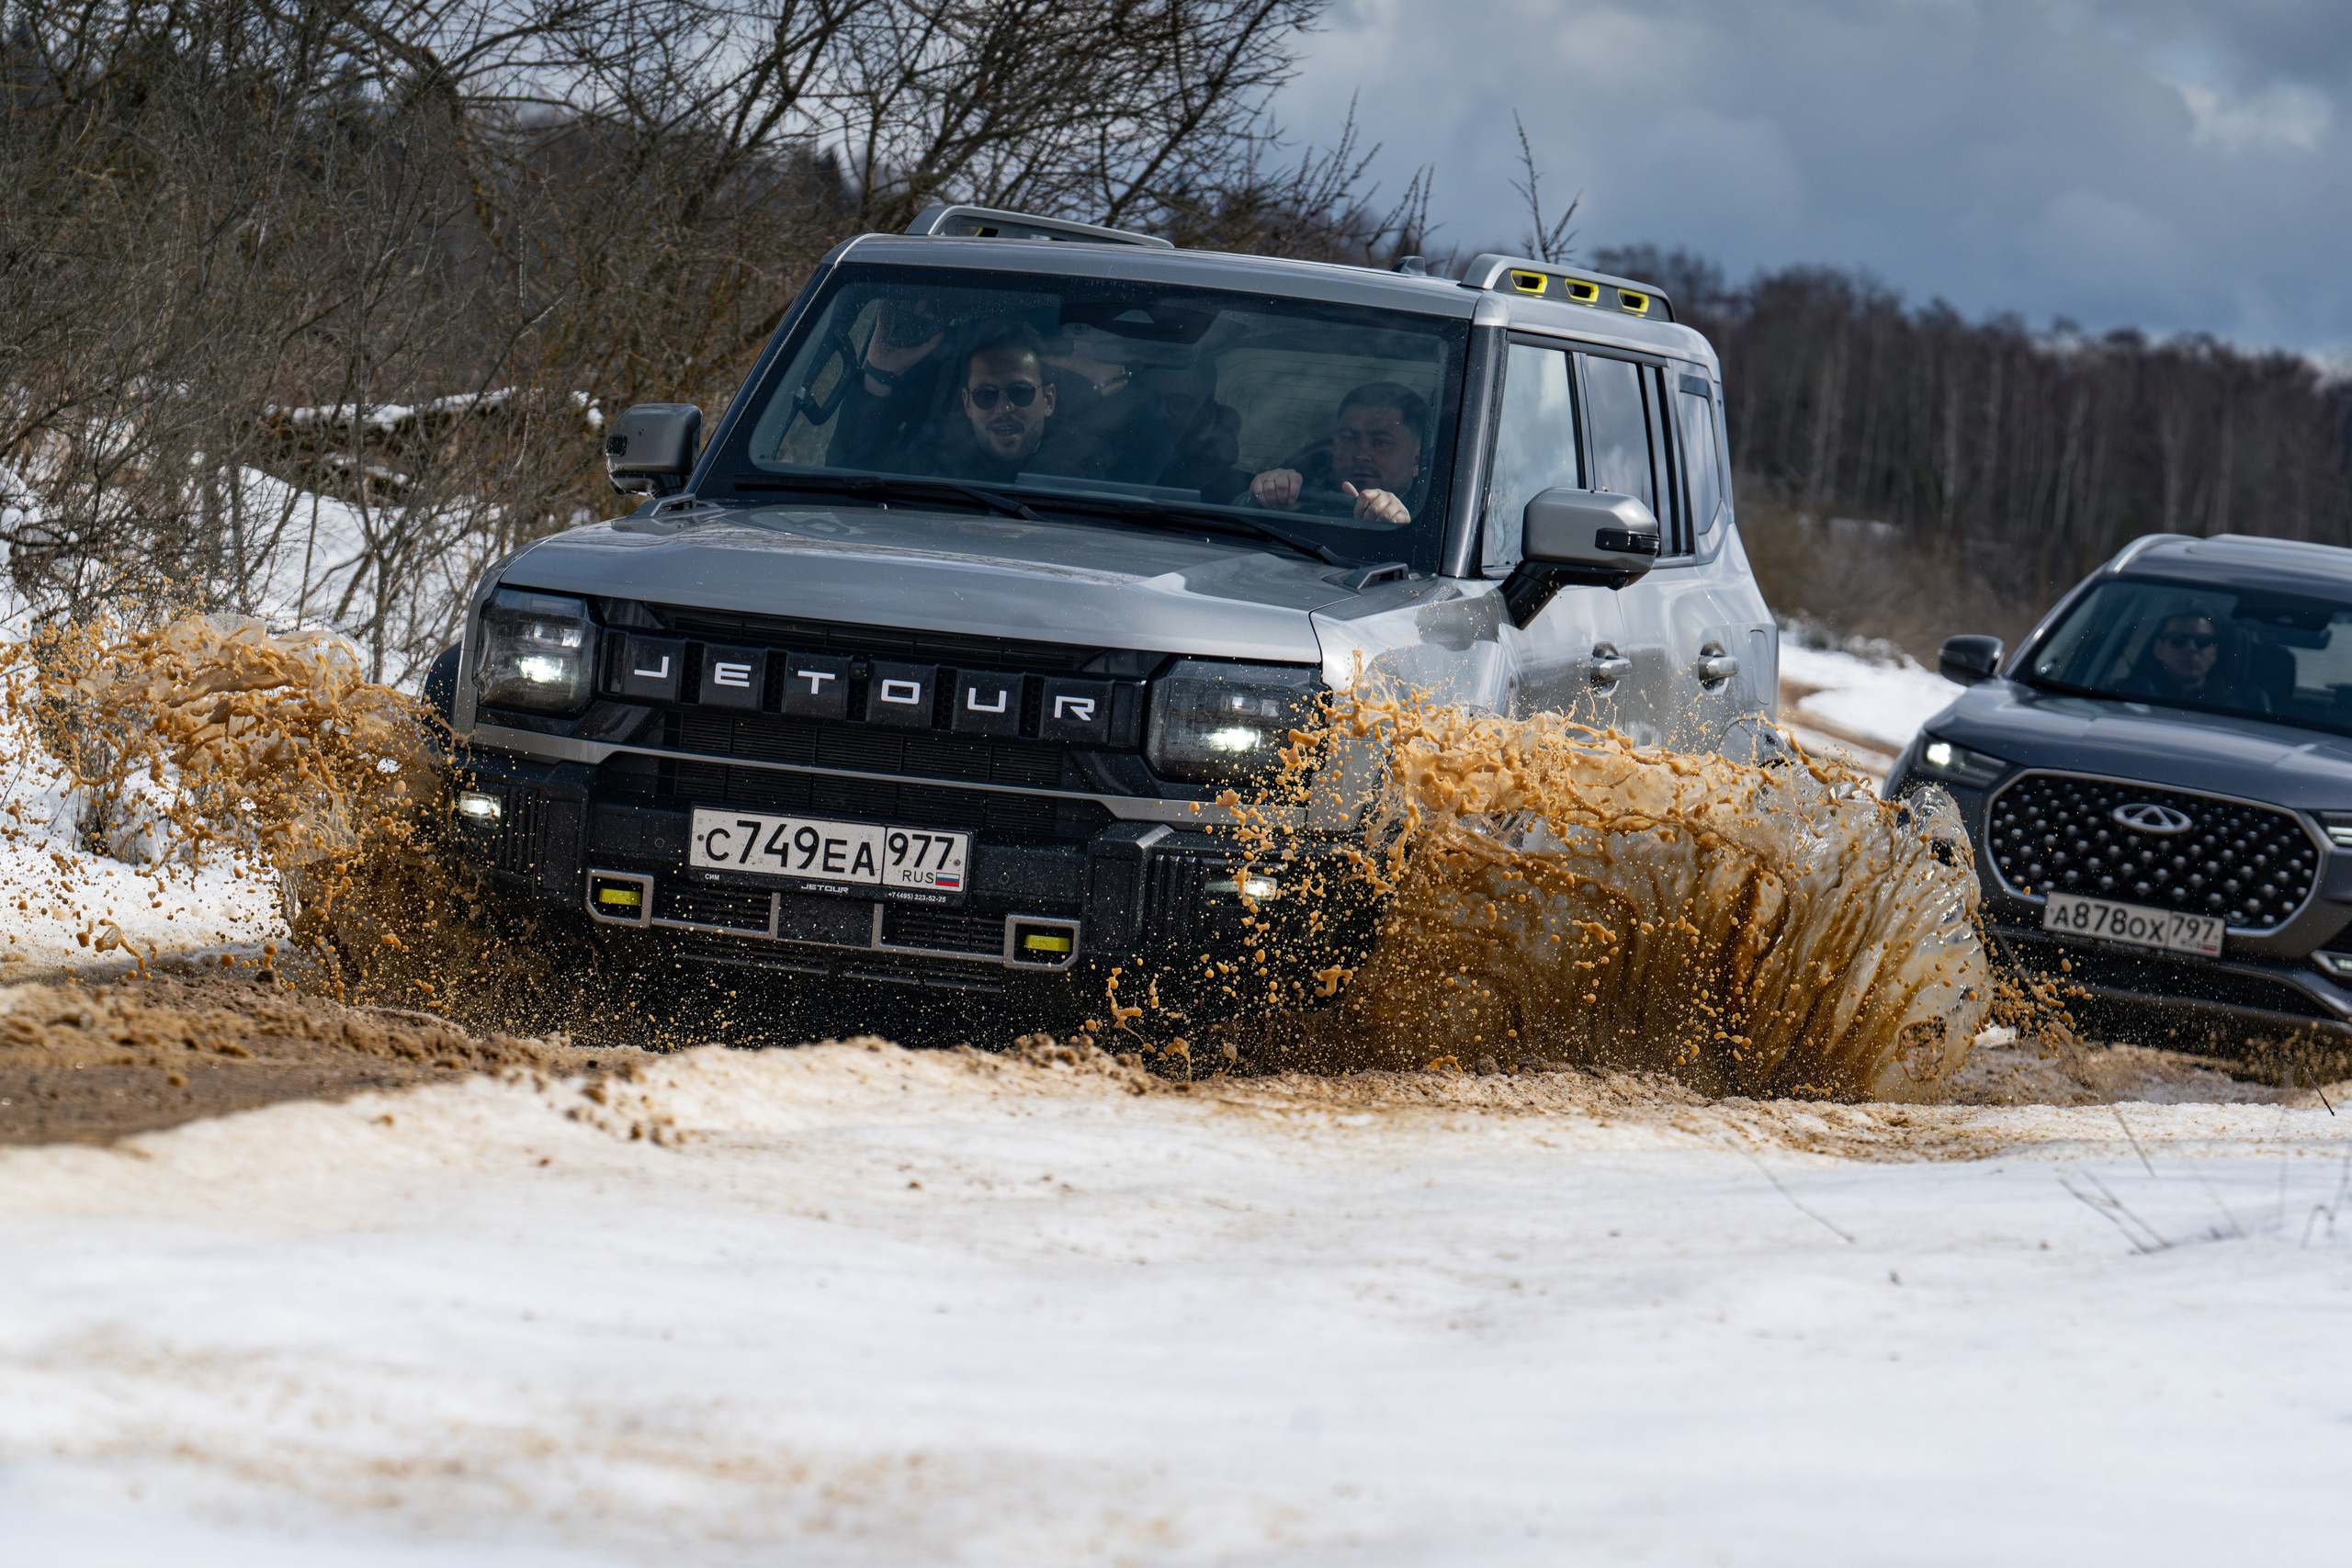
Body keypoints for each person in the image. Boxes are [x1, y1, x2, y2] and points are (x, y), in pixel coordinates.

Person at [1247, 381, 1429, 526]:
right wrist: (1264, 494)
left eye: (1380, 442)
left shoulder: (1434, 523)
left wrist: (1397, 523)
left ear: (1416, 461)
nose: (1361, 454)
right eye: (1349, 438)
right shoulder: (1303, 489)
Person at [2117, 613, 2267, 711]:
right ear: (2158, 650)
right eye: (2178, 640)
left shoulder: (2238, 708)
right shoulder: (2123, 696)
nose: (2191, 648)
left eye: (2203, 641)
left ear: (2214, 654)